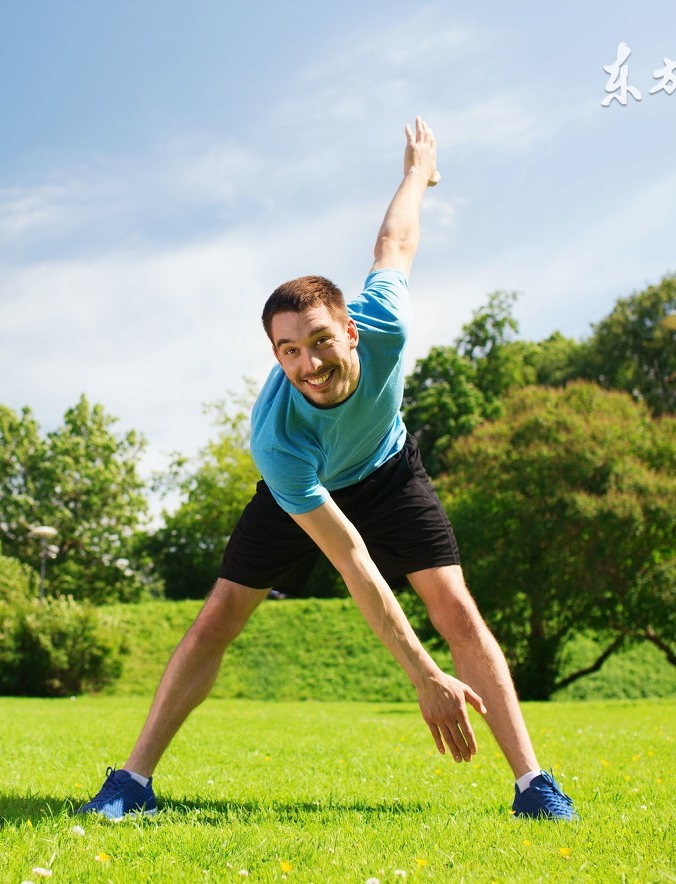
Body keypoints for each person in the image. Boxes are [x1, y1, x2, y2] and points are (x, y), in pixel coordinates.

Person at [78, 119, 576, 822]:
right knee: (218, 616)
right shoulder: (276, 438)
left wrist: (415, 175)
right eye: (288, 351)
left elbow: (395, 243)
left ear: (350, 331)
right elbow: (354, 565)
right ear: (274, 356)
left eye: (319, 341)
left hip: (391, 472)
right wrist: (422, 674)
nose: (307, 364)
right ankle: (131, 781)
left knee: (457, 608)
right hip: (308, 494)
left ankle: (534, 787)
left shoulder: (387, 325)